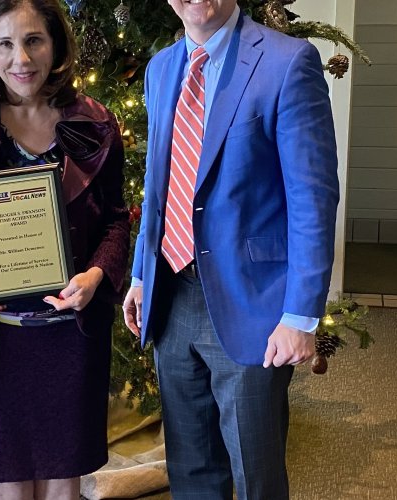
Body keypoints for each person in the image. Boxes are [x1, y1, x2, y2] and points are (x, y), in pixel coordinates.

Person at [123, 1, 339, 499]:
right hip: (172, 296)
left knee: (255, 474)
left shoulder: (287, 62)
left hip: (253, 305)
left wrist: (302, 315)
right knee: (191, 469)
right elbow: (158, 186)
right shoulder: (161, 68)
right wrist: (140, 275)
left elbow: (313, 199)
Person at [0, 0, 130, 498]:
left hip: (68, 340)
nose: (22, 58)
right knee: (7, 490)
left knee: (63, 488)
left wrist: (96, 276)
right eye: (6, 44)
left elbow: (117, 221)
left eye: (34, 40)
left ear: (55, 44)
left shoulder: (95, 123)